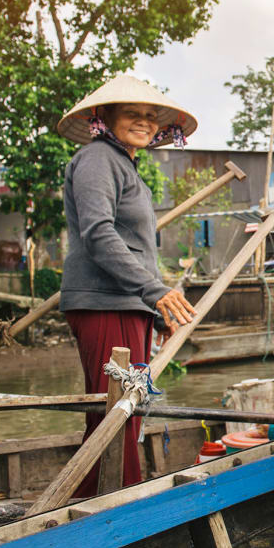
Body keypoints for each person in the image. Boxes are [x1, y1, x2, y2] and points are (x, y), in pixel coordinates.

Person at [57, 75, 198, 497]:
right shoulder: (98, 158)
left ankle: (103, 498)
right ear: (105, 118)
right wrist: (157, 292)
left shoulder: (126, 165)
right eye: (132, 114)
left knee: (125, 411)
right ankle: (112, 504)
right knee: (116, 414)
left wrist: (156, 314)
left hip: (126, 304)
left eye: (150, 117)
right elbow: (98, 233)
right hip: (104, 304)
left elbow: (135, 248)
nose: (144, 122)